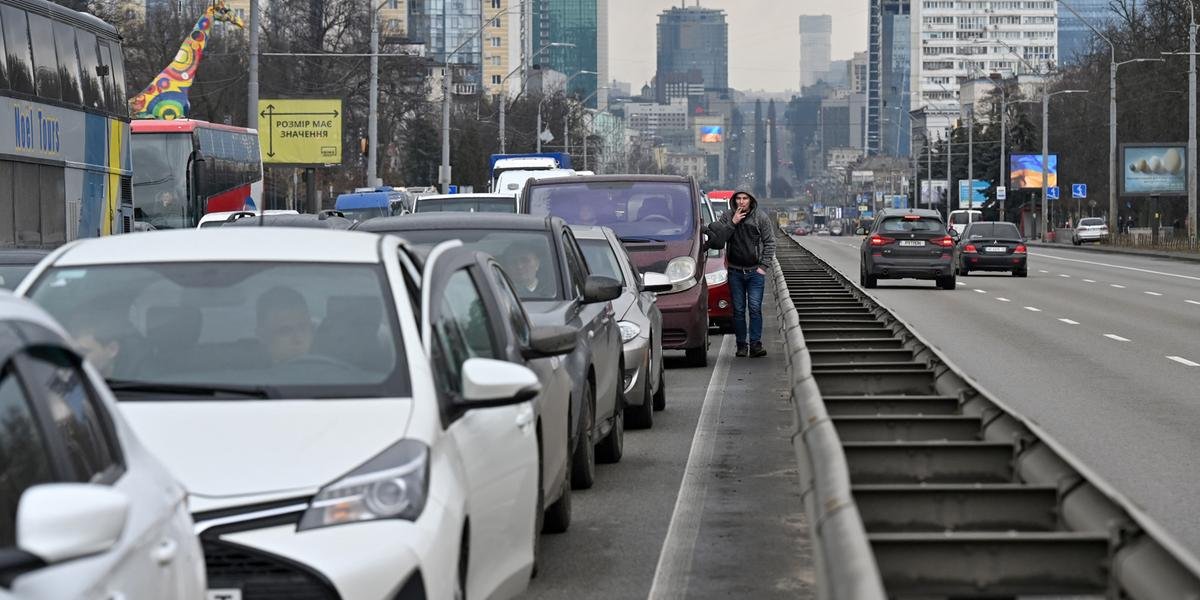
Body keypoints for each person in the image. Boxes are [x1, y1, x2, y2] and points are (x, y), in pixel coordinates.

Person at [706, 190, 775, 358]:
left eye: (745, 198)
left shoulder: (761, 217)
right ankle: (741, 345)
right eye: (738, 198)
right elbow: (719, 240)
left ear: (751, 200)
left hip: (755, 272)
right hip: (735, 271)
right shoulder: (727, 216)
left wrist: (763, 266)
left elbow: (770, 242)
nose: (741, 202)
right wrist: (733, 222)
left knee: (754, 308)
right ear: (734, 200)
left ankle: (756, 344)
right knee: (737, 310)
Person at [256, 286, 314, 364]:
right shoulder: (249, 374)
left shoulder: (331, 369)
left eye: (303, 328)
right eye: (285, 331)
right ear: (262, 336)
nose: (298, 339)